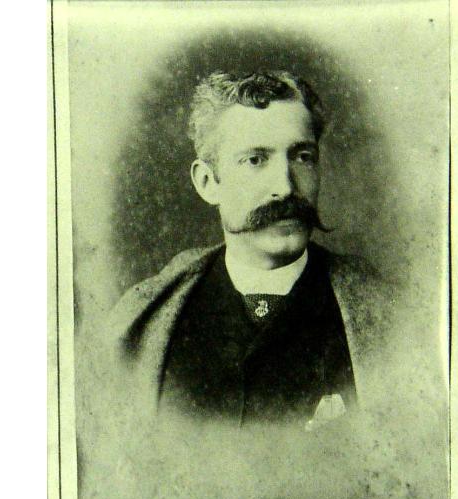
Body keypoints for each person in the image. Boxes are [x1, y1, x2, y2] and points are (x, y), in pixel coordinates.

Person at [108, 70, 389, 427]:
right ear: (207, 183)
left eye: (302, 157)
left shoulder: (386, 318)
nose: (285, 188)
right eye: (255, 160)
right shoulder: (141, 324)